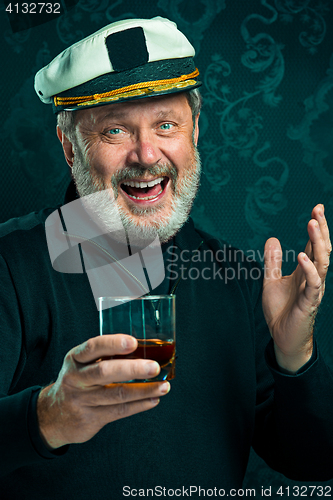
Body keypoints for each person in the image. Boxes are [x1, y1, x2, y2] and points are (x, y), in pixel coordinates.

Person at [0, 16, 332, 499]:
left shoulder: (239, 280)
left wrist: (294, 357)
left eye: (166, 125)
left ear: (195, 130)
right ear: (69, 146)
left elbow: (313, 459)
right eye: (115, 130)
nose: (146, 154)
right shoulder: (11, 265)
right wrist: (45, 417)